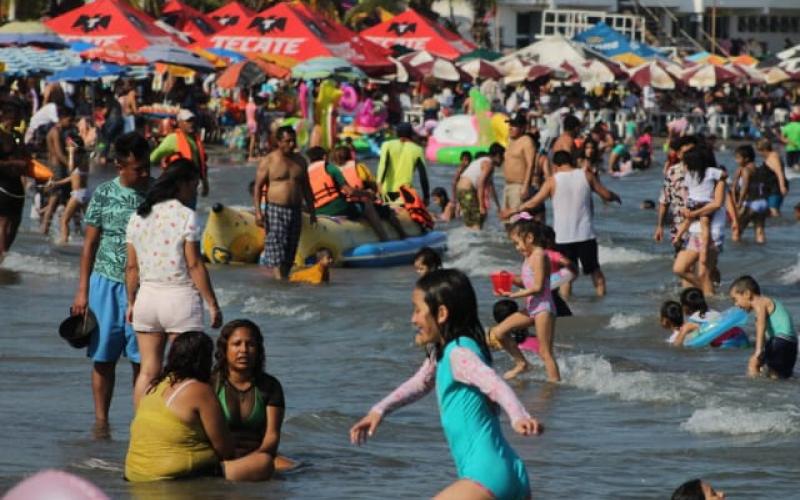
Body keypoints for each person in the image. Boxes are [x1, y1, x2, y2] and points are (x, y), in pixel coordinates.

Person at [349, 269, 542, 499]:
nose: (413, 319)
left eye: (418, 310)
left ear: (441, 313)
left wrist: (518, 416)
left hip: (487, 476)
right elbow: (421, 382)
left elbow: (495, 384)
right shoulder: (450, 352)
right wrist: (379, 410)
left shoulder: (459, 354)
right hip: (509, 473)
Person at [70, 132, 152, 434]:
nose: (145, 174)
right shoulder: (104, 194)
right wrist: (82, 291)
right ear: (120, 166)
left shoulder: (156, 193)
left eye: (147, 167)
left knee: (142, 361)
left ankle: (141, 423)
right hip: (105, 284)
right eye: (138, 168)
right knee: (104, 358)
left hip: (146, 287)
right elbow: (89, 246)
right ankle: (101, 422)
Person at [126, 158, 223, 407]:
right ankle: (179, 426)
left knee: (147, 371)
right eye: (193, 186)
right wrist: (212, 303)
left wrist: (130, 302)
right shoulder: (187, 217)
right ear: (181, 185)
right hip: (180, 299)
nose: (195, 192)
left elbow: (132, 267)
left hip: (146, 300)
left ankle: (142, 426)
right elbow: (194, 265)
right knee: (187, 373)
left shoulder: (138, 217)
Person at [125, 331, 275, 482]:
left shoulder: (155, 386)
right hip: (172, 477)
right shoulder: (199, 390)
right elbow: (225, 450)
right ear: (204, 361)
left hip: (135, 474)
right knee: (264, 462)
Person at [504, 151, 621, 298]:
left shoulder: (552, 181)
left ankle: (568, 306)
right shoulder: (586, 175)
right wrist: (615, 196)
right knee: (595, 272)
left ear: (555, 165)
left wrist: (513, 211)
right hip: (585, 234)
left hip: (562, 237)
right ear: (570, 161)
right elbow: (606, 195)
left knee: (566, 277)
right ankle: (601, 301)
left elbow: (534, 202)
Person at [213, 319, 293, 480]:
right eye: (237, 344)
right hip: (219, 459)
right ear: (225, 349)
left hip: (258, 456)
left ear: (258, 350)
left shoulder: (270, 386)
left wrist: (254, 460)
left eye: (250, 344)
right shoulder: (211, 384)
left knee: (299, 470)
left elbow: (272, 437)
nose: (244, 350)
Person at [492, 218, 560, 381]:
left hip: (543, 308)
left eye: (517, 243)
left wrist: (513, 295)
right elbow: (527, 282)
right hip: (532, 308)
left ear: (529, 238)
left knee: (545, 353)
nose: (517, 248)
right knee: (499, 332)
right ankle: (522, 363)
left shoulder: (539, 255)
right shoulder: (529, 257)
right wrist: (509, 279)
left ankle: (555, 385)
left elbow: (537, 288)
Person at [252, 126, 316, 280]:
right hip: (275, 209)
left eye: (294, 140)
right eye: (287, 141)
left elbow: (306, 187)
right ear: (279, 142)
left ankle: (283, 281)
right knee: (276, 248)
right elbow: (258, 187)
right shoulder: (269, 161)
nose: (292, 144)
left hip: (295, 210)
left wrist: (313, 211)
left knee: (290, 250)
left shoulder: (300, 161)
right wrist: (258, 212)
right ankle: (279, 281)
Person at [671, 148, 727, 296]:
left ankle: (711, 299)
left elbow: (717, 204)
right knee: (679, 268)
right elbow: (690, 208)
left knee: (704, 273)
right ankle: (710, 294)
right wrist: (679, 234)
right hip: (694, 232)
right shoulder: (692, 178)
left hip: (713, 233)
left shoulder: (714, 177)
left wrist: (695, 212)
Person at [729, 275, 797, 379]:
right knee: (781, 375)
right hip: (791, 343)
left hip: (780, 340)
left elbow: (761, 325)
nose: (736, 304)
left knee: (753, 362)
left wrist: (758, 350)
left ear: (747, 294)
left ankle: (753, 390)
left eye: (735, 299)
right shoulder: (766, 303)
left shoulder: (760, 302)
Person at [150, 109, 210, 197]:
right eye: (188, 121)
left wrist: (205, 182)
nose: (191, 123)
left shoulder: (195, 139)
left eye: (193, 121)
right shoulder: (173, 139)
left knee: (189, 210)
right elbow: (153, 157)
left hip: (191, 185)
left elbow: (201, 164)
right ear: (180, 123)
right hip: (176, 186)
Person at [0, 97, 30, 260]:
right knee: (3, 222)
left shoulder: (17, 134)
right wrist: (13, 162)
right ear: (7, 116)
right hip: (2, 185)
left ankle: (4, 254)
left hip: (17, 186)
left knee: (16, 222)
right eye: (18, 116)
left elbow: (24, 155)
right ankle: (2, 260)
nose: (20, 119)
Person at [376, 122, 429, 205]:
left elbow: (384, 166)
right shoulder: (418, 149)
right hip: (405, 193)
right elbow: (423, 176)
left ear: (397, 133)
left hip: (385, 191)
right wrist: (426, 197)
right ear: (411, 134)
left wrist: (379, 186)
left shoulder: (387, 145)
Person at [40, 105, 73, 236]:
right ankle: (45, 228)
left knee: (60, 199)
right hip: (57, 168)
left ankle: (48, 226)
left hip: (54, 167)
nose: (70, 123)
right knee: (54, 199)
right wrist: (71, 167)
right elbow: (59, 154)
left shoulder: (55, 131)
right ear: (62, 118)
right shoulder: (56, 132)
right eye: (69, 120)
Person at [455, 145, 503, 230]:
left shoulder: (483, 161)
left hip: (461, 190)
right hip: (467, 191)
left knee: (470, 223)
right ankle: (476, 242)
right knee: (477, 222)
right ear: (498, 155)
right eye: (503, 157)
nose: (504, 160)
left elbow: (492, 188)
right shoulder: (489, 164)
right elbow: (480, 183)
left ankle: (468, 241)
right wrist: (481, 205)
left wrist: (498, 207)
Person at [731, 145, 768, 244]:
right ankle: (762, 251)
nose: (736, 160)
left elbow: (744, 187)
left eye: (738, 158)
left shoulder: (745, 170)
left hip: (750, 203)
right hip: (763, 203)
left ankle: (737, 253)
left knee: (737, 230)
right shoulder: (759, 168)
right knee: (759, 230)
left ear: (746, 158)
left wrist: (739, 202)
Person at [501, 114, 536, 219]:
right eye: (510, 124)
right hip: (507, 185)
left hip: (519, 186)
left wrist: (525, 186)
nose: (510, 128)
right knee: (505, 220)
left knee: (516, 221)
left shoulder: (526, 141)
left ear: (523, 127)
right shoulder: (510, 141)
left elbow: (531, 164)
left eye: (514, 125)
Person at [754, 138, 789, 217]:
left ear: (765, 149)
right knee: (771, 211)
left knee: (773, 210)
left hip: (776, 188)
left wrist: (782, 187)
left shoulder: (773, 158)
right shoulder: (770, 156)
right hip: (771, 187)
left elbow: (779, 172)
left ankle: (780, 226)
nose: (759, 153)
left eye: (759, 151)